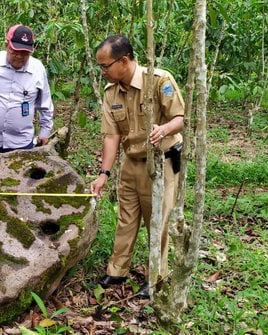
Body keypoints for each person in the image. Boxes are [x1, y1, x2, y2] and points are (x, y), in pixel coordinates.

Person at [90, 35, 185, 295]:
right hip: (131, 162)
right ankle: (117, 271)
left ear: (124, 60)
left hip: (160, 162)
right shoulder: (112, 93)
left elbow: (180, 117)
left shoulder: (159, 80)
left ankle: (156, 275)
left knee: (157, 220)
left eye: (105, 66)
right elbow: (112, 136)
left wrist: (163, 129)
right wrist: (103, 174)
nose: (103, 72)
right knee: (126, 218)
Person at [0, 24, 54, 153]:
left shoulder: (38, 69)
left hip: (21, 143)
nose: (19, 57)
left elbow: (45, 104)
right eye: (15, 51)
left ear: (31, 51)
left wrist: (45, 131)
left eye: (24, 53)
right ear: (6, 45)